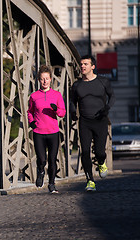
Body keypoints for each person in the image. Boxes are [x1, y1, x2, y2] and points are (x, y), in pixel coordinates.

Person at [70, 55, 115, 191]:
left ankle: (101, 162)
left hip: (100, 121)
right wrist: (73, 112)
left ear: (93, 67)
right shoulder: (77, 85)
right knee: (84, 152)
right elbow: (72, 101)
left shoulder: (103, 81)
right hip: (85, 122)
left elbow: (112, 96)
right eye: (81, 64)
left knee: (100, 152)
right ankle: (90, 181)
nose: (82, 66)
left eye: (85, 64)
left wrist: (107, 107)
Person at [27, 65, 66, 193]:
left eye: (47, 79)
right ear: (39, 80)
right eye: (42, 79)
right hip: (39, 132)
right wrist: (31, 122)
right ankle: (40, 172)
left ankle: (52, 184)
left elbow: (62, 113)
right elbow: (30, 111)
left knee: (52, 160)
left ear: (50, 80)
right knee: (42, 159)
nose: (45, 81)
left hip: (53, 132)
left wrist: (56, 109)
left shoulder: (57, 95)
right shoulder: (34, 96)